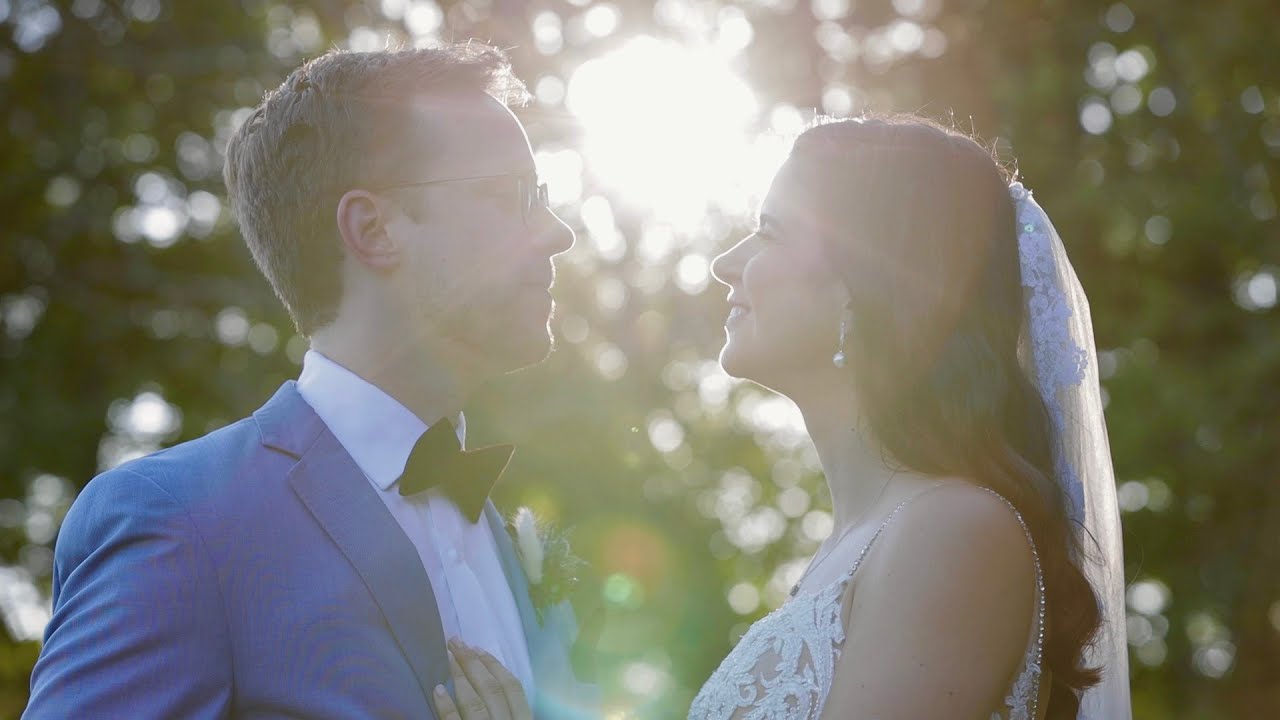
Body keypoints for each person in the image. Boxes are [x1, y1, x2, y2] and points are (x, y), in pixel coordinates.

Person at [440, 113, 1131, 719]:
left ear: (867, 282)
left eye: (768, 233)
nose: (724, 263)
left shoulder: (957, 532)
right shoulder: (853, 550)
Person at [25, 43, 596, 719]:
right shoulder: (182, 524)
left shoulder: (505, 538)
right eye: (513, 198)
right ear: (374, 228)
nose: (557, 234)